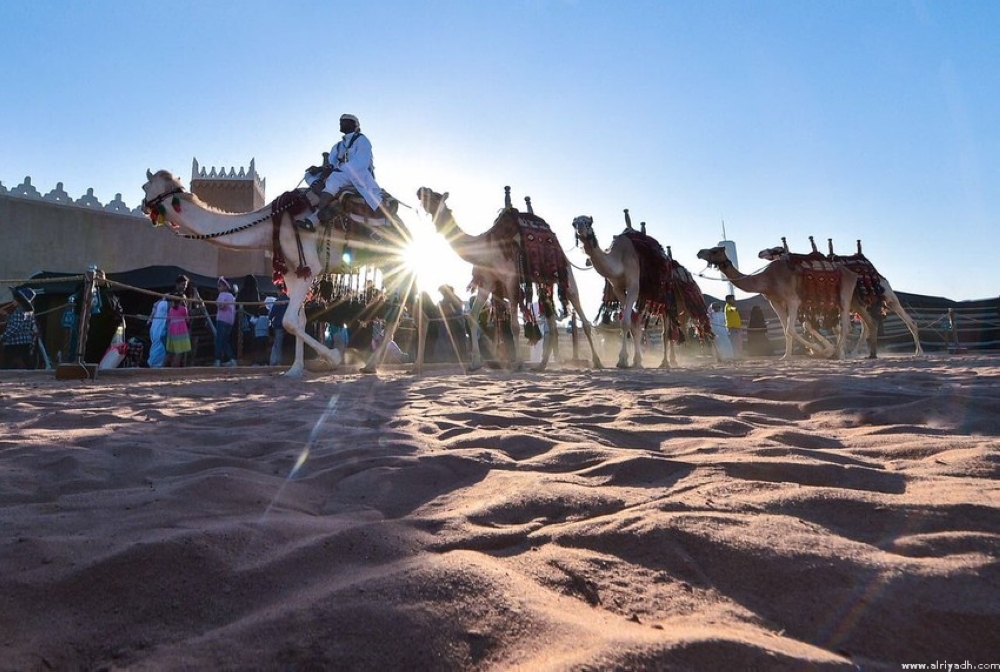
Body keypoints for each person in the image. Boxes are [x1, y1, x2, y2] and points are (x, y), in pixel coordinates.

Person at [295, 113, 387, 232]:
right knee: (309, 175)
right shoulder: (338, 146)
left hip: (358, 175)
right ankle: (332, 204)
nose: (341, 123)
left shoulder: (362, 140)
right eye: (340, 121)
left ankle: (314, 219)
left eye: (344, 121)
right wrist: (320, 169)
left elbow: (361, 163)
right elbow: (331, 164)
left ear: (353, 124)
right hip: (339, 174)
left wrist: (336, 170)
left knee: (334, 178)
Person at [2, 287, 39, 369]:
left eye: (15, 299)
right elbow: (20, 322)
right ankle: (32, 373)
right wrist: (6, 315)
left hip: (15, 341)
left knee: (7, 361)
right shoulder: (28, 312)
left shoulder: (19, 310)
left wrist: (3, 337)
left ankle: (4, 376)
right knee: (27, 360)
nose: (13, 301)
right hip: (25, 340)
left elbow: (15, 327)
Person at [214, 277, 237, 366]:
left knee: (219, 340)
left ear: (225, 287)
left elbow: (221, 306)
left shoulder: (222, 295)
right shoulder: (231, 296)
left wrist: (217, 303)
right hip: (229, 321)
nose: (218, 288)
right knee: (225, 341)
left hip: (222, 320)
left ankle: (218, 360)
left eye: (220, 286)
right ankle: (232, 359)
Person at [166, 295, 191, 368]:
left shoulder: (171, 309)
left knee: (171, 352)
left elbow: (168, 320)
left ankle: (164, 367)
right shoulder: (183, 309)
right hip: (180, 332)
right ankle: (175, 368)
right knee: (179, 352)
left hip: (172, 331)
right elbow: (187, 320)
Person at [147, 294, 170, 367]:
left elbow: (151, 316)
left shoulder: (157, 304)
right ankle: (156, 365)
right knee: (159, 347)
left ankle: (153, 363)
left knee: (155, 345)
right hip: (160, 328)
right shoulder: (165, 304)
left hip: (155, 327)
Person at [268, 290, 290, 366]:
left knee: (277, 343)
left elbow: (272, 313)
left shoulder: (278, 301)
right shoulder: (290, 300)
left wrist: (270, 318)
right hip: (289, 324)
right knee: (285, 344)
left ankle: (275, 361)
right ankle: (284, 360)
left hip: (279, 324)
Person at [724, 294, 743, 359]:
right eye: (732, 299)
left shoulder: (731, 306)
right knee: (734, 343)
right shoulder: (728, 306)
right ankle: (735, 356)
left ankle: (738, 356)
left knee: (738, 343)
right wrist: (735, 308)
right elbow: (731, 309)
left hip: (737, 328)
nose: (734, 300)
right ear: (728, 300)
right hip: (732, 328)